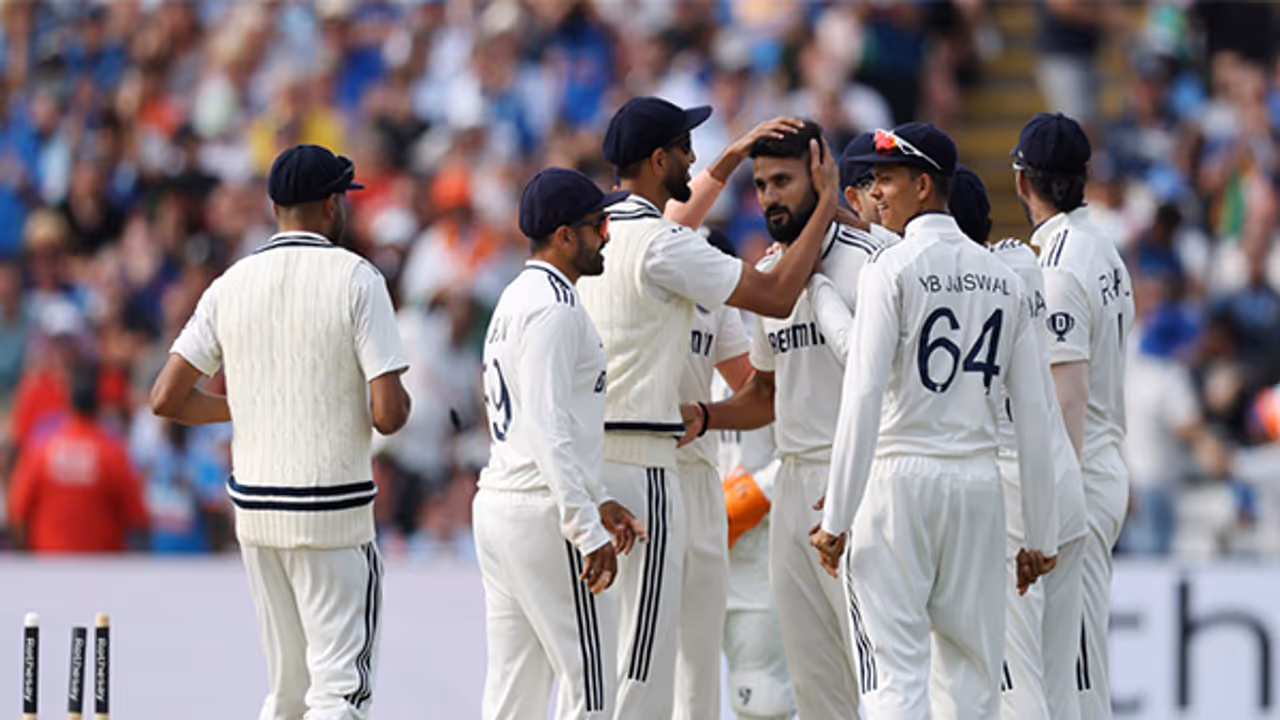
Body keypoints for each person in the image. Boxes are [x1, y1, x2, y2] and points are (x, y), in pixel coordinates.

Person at [577, 96, 838, 719]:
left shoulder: (604, 238)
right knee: (640, 670)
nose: (695, 158)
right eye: (686, 148)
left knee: (661, 668)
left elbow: (753, 386)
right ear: (660, 157)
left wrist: (727, 158)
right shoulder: (661, 245)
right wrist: (825, 203)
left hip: (653, 465)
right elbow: (774, 295)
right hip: (643, 465)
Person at [150, 144, 411, 720]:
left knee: (287, 691)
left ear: (273, 206)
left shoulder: (232, 282)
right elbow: (389, 414)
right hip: (332, 513)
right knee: (339, 692)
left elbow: (165, 397)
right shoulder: (357, 277)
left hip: (257, 515)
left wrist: (248, 405)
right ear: (331, 205)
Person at [811, 123, 1059, 719]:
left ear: (923, 185)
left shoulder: (889, 269)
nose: (874, 193)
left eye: (886, 180)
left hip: (899, 480)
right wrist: (1041, 536)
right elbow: (1032, 411)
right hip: (977, 487)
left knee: (895, 678)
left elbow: (864, 395)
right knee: (974, 679)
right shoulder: (1005, 277)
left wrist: (837, 519)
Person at [678, 119, 883, 720]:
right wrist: (702, 415)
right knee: (815, 690)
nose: (769, 196)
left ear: (823, 174)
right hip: (792, 491)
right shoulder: (771, 273)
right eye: (762, 184)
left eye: (784, 181)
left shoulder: (872, 266)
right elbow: (766, 393)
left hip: (857, 486)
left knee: (881, 682)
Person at [474, 167, 648, 720]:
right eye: (598, 224)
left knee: (513, 692)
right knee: (591, 688)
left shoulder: (515, 296)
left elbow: (546, 423)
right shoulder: (554, 307)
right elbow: (549, 427)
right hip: (541, 512)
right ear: (564, 235)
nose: (608, 235)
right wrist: (585, 525)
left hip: (504, 502)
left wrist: (595, 496)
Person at [952, 166, 1088, 720]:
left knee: (1017, 683)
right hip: (1060, 478)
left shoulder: (965, 287)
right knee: (1060, 684)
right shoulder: (1021, 264)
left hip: (1013, 489)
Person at [1012, 112, 1134, 720]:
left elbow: (1068, 398)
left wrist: (1049, 511)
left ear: (1021, 181)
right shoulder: (1103, 247)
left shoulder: (1058, 264)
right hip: (1101, 464)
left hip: (1078, 478)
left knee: (1073, 676)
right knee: (1074, 664)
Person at [671, 227, 754, 720]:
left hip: (715, 507)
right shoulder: (644, 294)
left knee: (707, 671)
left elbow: (754, 392)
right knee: (646, 659)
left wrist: (732, 509)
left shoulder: (722, 311)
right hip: (660, 482)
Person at [714, 369, 795, 720]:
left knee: (761, 699)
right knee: (680, 697)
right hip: (691, 551)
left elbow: (809, 443)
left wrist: (752, 496)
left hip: (758, 561)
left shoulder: (774, 335)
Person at [8, 366, 148, 553]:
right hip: (103, 572)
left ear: (69, 405)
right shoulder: (113, 453)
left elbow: (17, 512)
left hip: (47, 569)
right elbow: (138, 517)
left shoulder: (42, 450)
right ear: (98, 407)